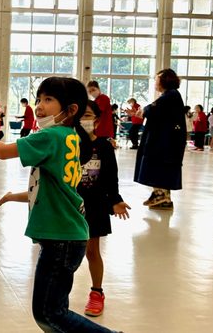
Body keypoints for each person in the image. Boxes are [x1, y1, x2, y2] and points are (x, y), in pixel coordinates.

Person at [0, 77, 119, 333]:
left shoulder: (51, 135)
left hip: (61, 239)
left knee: (48, 314)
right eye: (39, 99)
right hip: (68, 236)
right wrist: (14, 196)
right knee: (56, 309)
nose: (39, 105)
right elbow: (51, 188)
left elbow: (3, 151)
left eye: (48, 100)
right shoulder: (71, 136)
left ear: (71, 110)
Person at [77, 101, 131, 317]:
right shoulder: (69, 144)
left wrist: (115, 200)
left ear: (97, 121)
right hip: (71, 206)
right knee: (68, 252)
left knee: (92, 251)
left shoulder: (104, 146)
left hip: (95, 206)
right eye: (80, 115)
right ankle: (60, 292)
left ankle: (97, 292)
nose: (84, 120)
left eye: (88, 115)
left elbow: (111, 177)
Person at [135, 69, 186, 211]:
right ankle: (163, 198)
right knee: (162, 165)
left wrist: (144, 111)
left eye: (157, 80)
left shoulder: (171, 95)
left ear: (165, 81)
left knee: (159, 164)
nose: (155, 83)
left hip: (166, 141)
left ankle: (161, 193)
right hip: (166, 139)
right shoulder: (170, 95)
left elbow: (153, 109)